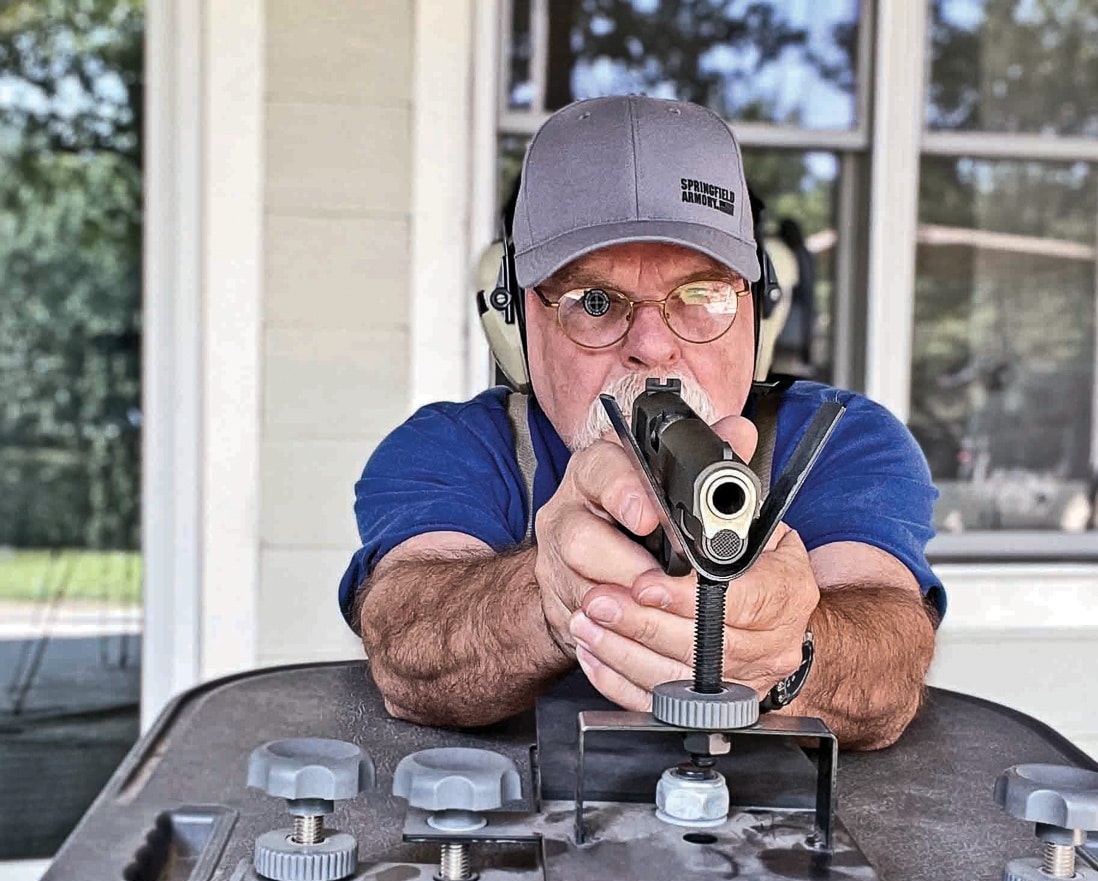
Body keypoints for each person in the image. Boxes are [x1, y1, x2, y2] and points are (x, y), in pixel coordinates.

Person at [339, 96, 943, 750]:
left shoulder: (843, 440)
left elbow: (888, 665)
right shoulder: (451, 448)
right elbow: (408, 643)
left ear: (759, 308)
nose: (653, 347)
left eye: (702, 294)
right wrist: (548, 596)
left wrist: (788, 651)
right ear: (514, 318)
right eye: (594, 302)